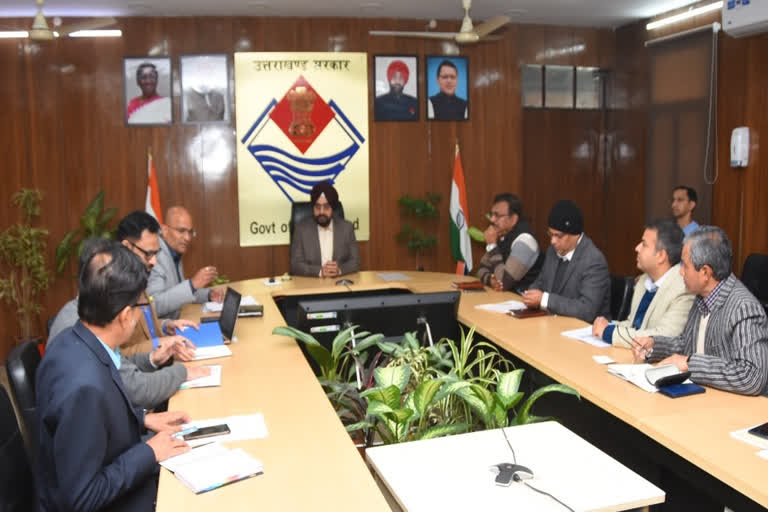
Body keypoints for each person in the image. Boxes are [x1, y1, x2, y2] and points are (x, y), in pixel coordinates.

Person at [36, 243, 191, 511]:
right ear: (125, 317)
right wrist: (149, 452)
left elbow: (92, 423)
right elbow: (83, 497)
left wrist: (143, 419)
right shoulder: (84, 386)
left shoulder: (73, 340)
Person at [48, 217, 211, 409]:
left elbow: (117, 365)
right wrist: (181, 372)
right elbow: (132, 388)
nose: (154, 262)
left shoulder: (91, 315)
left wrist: (152, 358)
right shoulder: (87, 328)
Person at [633, 226, 768, 396]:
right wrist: (654, 345)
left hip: (734, 411)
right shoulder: (701, 297)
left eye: (685, 266)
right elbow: (686, 344)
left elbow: (752, 377)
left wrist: (689, 363)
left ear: (705, 272)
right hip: (703, 399)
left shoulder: (744, 308)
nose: (680, 272)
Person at [592, 219, 694, 346]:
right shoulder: (644, 281)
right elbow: (633, 326)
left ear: (661, 256)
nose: (637, 248)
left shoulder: (683, 288)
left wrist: (608, 332)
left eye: (644, 244)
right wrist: (609, 324)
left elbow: (662, 336)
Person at [522, 200, 610, 323]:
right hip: (553, 324)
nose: (552, 241)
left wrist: (544, 299)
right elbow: (541, 282)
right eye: (550, 234)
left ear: (575, 234)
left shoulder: (594, 261)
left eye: (558, 236)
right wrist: (530, 295)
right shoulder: (553, 251)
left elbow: (587, 310)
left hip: (583, 332)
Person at [148, 206, 224, 319]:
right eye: (181, 231)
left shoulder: (173, 251)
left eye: (190, 232)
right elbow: (154, 306)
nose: (187, 238)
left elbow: (180, 292)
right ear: (164, 230)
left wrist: (208, 295)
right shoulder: (155, 257)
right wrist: (192, 284)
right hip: (164, 330)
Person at [475, 193, 543, 292]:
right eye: (492, 214)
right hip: (505, 299)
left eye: (497, 215)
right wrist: (491, 280)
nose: (492, 219)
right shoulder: (502, 234)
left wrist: (492, 245)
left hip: (523, 302)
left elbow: (503, 282)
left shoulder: (525, 240)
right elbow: (481, 269)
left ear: (514, 218)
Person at [290, 181, 360, 277]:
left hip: (339, 285)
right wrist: (319, 271)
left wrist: (339, 270)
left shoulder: (346, 228)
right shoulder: (301, 230)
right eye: (317, 207)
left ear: (333, 208)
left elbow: (355, 262)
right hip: (311, 286)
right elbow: (295, 265)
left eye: (326, 207)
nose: (321, 212)